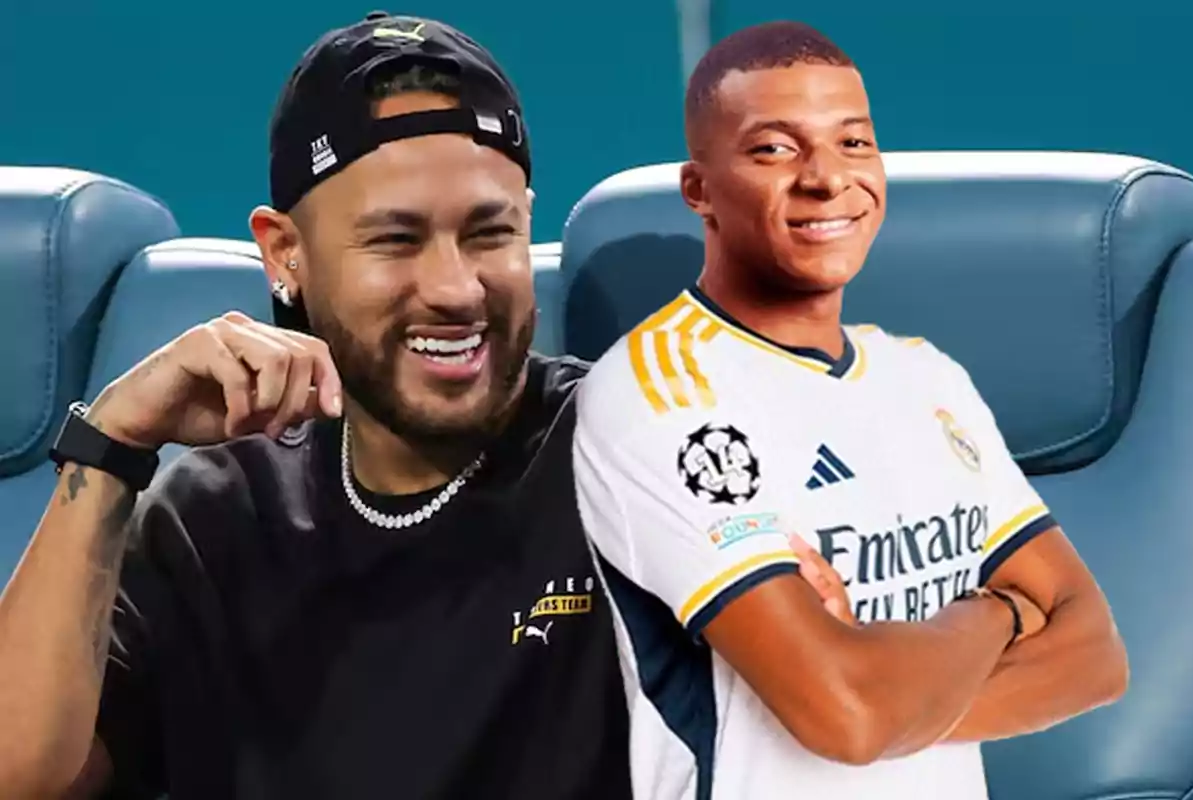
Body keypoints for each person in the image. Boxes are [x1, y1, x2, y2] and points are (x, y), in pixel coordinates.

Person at [0, 13, 631, 800]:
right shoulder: (216, 514)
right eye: (396, 241)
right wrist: (111, 444)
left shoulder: (624, 454)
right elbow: (19, 775)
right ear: (285, 254)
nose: (456, 288)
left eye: (488, 233)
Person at [572, 20, 1129, 800]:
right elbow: (850, 716)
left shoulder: (926, 377)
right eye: (775, 148)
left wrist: (885, 675)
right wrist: (995, 612)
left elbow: (1096, 653)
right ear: (700, 189)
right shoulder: (661, 394)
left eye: (854, 143)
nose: (827, 178)